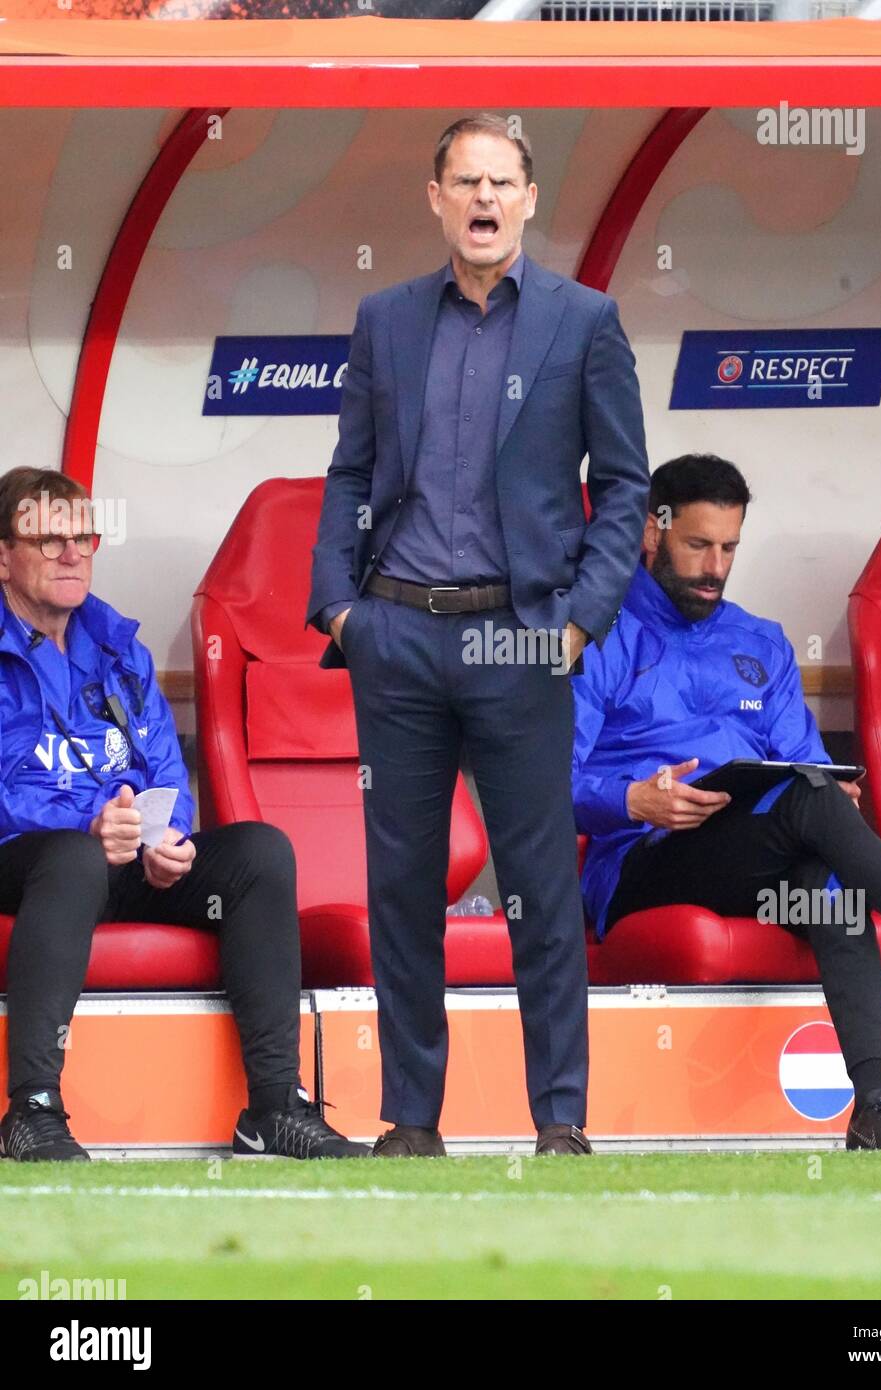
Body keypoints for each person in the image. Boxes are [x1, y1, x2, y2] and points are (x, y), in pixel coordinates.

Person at [308, 113, 650, 1157]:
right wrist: (338, 609)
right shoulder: (386, 318)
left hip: (524, 636)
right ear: (435, 196)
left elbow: (627, 485)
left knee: (539, 887)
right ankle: (412, 1120)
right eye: (466, 182)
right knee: (402, 888)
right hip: (399, 636)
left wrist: (582, 622)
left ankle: (560, 1119)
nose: (485, 200)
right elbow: (351, 473)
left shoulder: (584, 320)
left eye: (502, 182)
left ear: (530, 198)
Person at [571, 453, 881, 1151]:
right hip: (642, 861)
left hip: (751, 850)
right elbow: (545, 786)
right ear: (649, 533)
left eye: (728, 547)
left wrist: (836, 791)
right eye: (697, 545)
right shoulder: (594, 634)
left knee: (829, 883)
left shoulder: (760, 641)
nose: (714, 567)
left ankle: (874, 1104)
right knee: (810, 806)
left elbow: (807, 767)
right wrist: (634, 799)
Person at [0, 467, 369, 1162]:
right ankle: (32, 1109)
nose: (73, 552)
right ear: (3, 557)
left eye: (83, 536)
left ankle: (272, 1108)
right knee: (74, 858)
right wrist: (88, 822)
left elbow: (165, 769)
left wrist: (167, 838)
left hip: (117, 856)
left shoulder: (119, 649)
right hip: (26, 856)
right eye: (48, 540)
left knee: (259, 853)